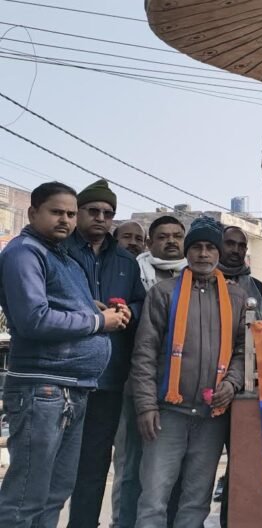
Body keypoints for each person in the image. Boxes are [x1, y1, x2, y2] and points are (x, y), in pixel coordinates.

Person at [0, 182, 127, 527]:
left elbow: (60, 305)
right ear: (33, 213)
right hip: (42, 389)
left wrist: (92, 308)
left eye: (71, 214)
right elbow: (33, 319)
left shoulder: (61, 257)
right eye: (56, 212)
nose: (65, 220)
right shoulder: (25, 253)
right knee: (25, 498)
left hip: (72, 389)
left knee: (55, 493)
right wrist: (98, 320)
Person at [130, 217, 246, 528]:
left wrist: (233, 382)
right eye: (197, 247)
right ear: (187, 251)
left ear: (218, 252)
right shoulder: (163, 293)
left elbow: (244, 350)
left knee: (196, 502)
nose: (203, 254)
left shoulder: (236, 298)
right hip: (168, 414)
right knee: (153, 500)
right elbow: (144, 354)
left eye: (210, 247)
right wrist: (146, 406)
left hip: (212, 416)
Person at [64, 179, 146, 528]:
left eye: (108, 213)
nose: (101, 218)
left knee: (95, 466)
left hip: (109, 378)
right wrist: (86, 311)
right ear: (78, 212)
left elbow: (141, 302)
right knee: (52, 467)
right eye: (93, 211)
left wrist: (129, 311)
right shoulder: (60, 251)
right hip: (65, 375)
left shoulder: (126, 260)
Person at [112, 215, 189, 528]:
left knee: (174, 471)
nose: (171, 241)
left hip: (181, 389)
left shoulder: (198, 276)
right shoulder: (135, 273)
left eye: (177, 236)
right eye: (163, 236)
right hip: (137, 384)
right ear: (150, 243)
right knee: (131, 466)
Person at [219, 225, 262, 320]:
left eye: (241, 246)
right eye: (230, 244)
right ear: (219, 245)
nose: (236, 250)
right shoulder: (204, 281)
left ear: (246, 250)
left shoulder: (258, 287)